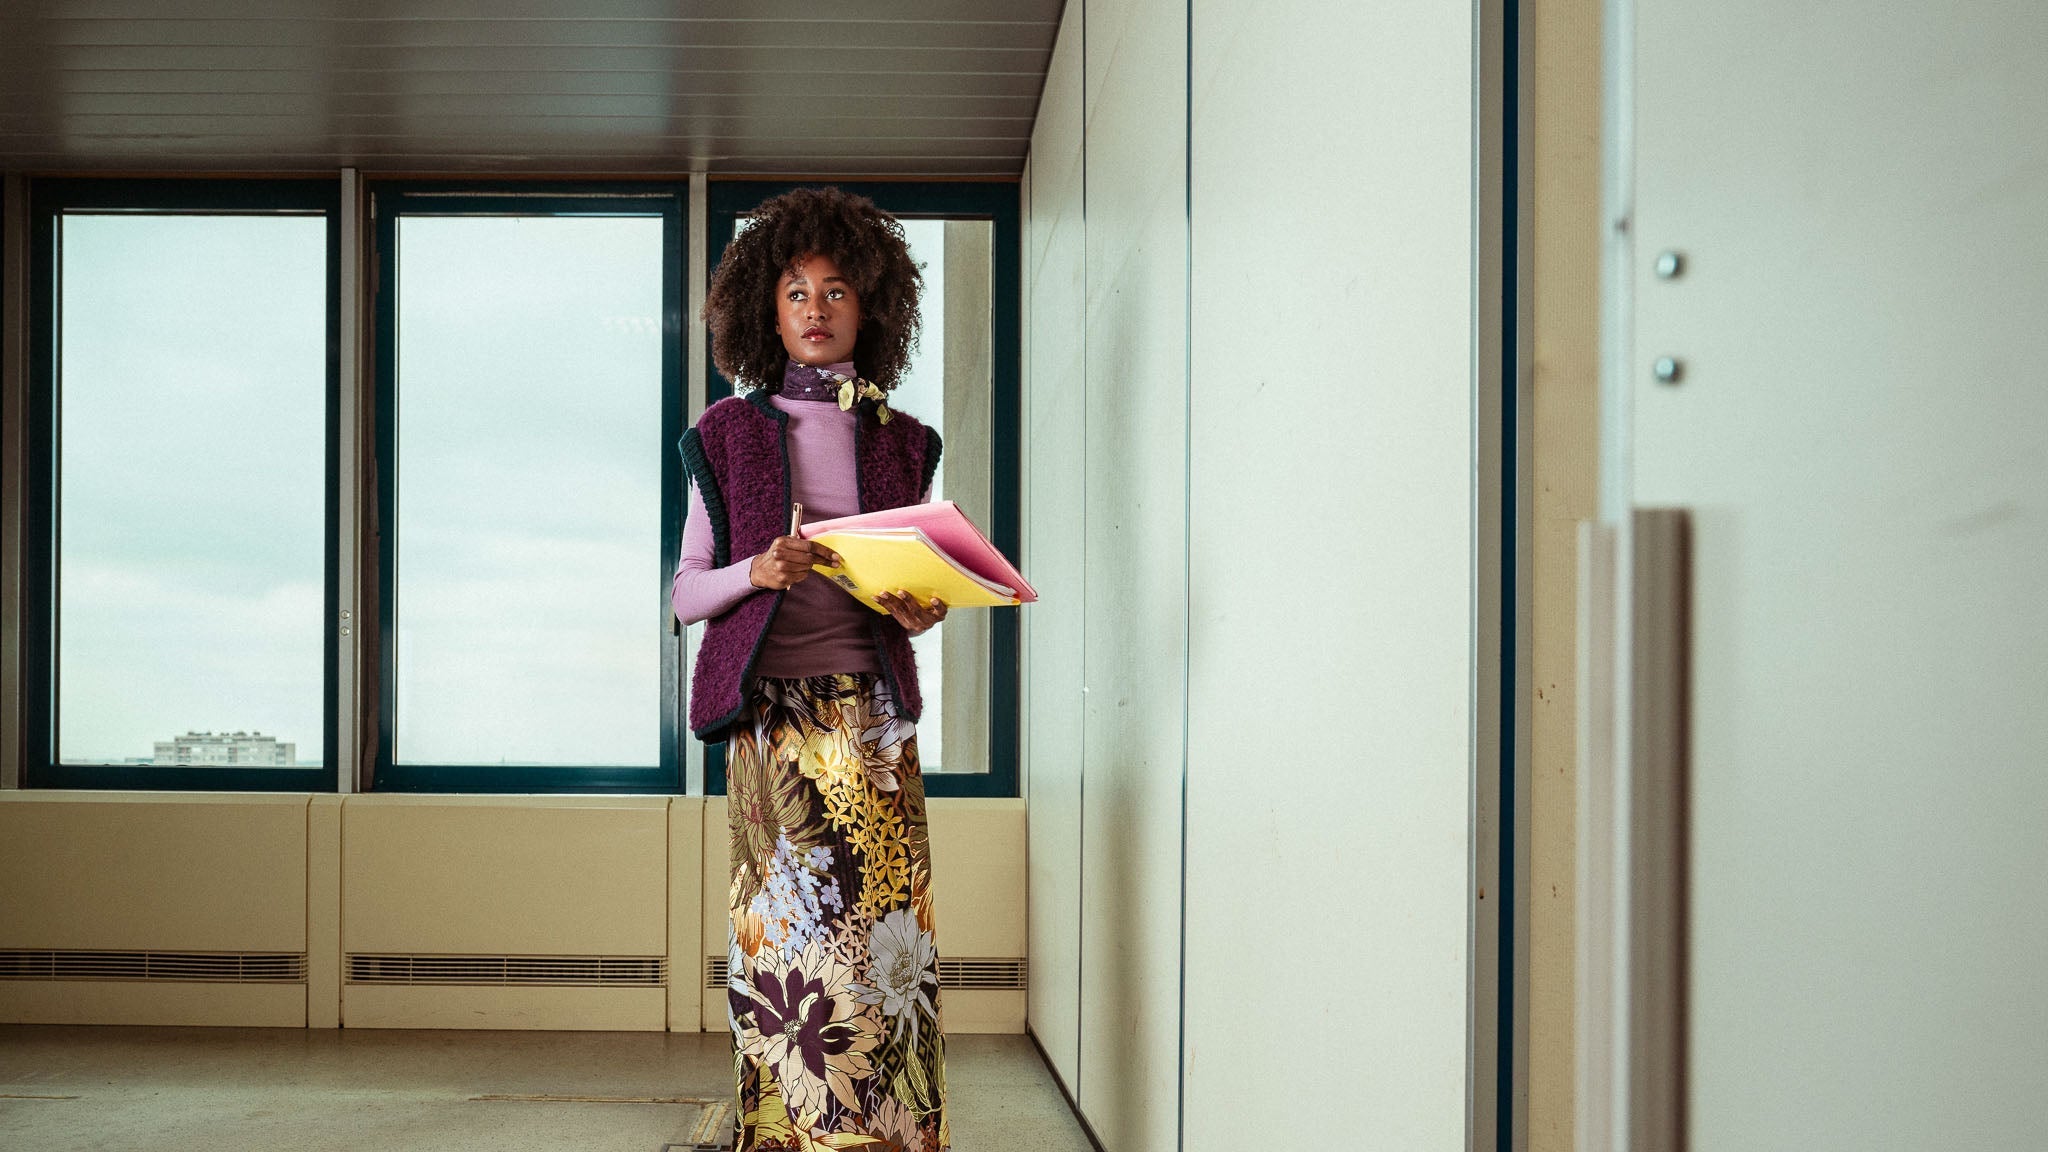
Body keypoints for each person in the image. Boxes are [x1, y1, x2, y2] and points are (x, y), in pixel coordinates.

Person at [672, 184, 951, 1152]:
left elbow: (904, 589)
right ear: (767, 310)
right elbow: (683, 592)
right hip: (769, 723)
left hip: (869, 718)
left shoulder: (903, 442)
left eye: (836, 291)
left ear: (869, 308)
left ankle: (889, 1138)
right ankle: (792, 1136)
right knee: (785, 945)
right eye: (796, 292)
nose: (816, 310)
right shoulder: (726, 435)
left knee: (884, 944)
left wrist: (918, 607)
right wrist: (755, 570)